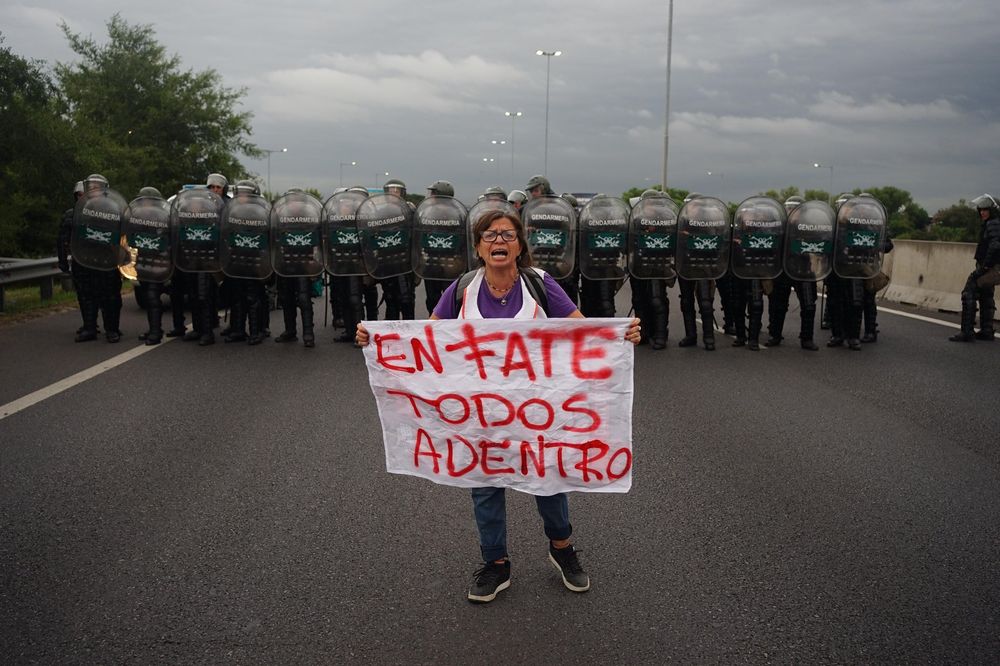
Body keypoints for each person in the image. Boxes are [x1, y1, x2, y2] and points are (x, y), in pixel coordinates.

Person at [356, 209, 640, 604]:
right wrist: (378, 340)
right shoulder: (462, 289)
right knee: (484, 485)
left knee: (550, 476)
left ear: (520, 245)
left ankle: (562, 549)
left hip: (539, 410)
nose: (498, 242)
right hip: (481, 415)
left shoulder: (541, 285)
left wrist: (617, 335)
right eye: (489, 236)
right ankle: (496, 563)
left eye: (507, 235)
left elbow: (581, 330)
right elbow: (428, 338)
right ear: (478, 247)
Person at [950, 194, 1000, 342]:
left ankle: (967, 332)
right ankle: (986, 330)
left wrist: (984, 267)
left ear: (993, 211)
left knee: (969, 292)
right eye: (981, 210)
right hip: (993, 267)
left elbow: (996, 245)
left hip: (991, 267)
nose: (982, 212)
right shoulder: (993, 223)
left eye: (986, 210)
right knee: (986, 295)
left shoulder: (993, 224)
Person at [58, 181, 95, 338]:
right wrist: (63, 261)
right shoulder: (70, 215)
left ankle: (112, 328)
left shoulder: (102, 213)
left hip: (100, 261)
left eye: (84, 194)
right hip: (80, 260)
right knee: (84, 294)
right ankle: (89, 326)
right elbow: (62, 240)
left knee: (108, 294)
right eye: (79, 194)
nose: (82, 197)